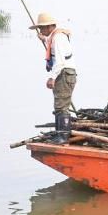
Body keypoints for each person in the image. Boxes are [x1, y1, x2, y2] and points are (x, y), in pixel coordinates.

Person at [29, 12, 77, 144]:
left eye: (42, 28)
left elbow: (60, 62)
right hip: (64, 73)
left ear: (50, 27)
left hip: (64, 73)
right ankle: (59, 133)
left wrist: (52, 78)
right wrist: (43, 39)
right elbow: (51, 46)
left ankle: (63, 136)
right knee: (59, 104)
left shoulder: (58, 38)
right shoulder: (53, 37)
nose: (41, 30)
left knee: (61, 106)